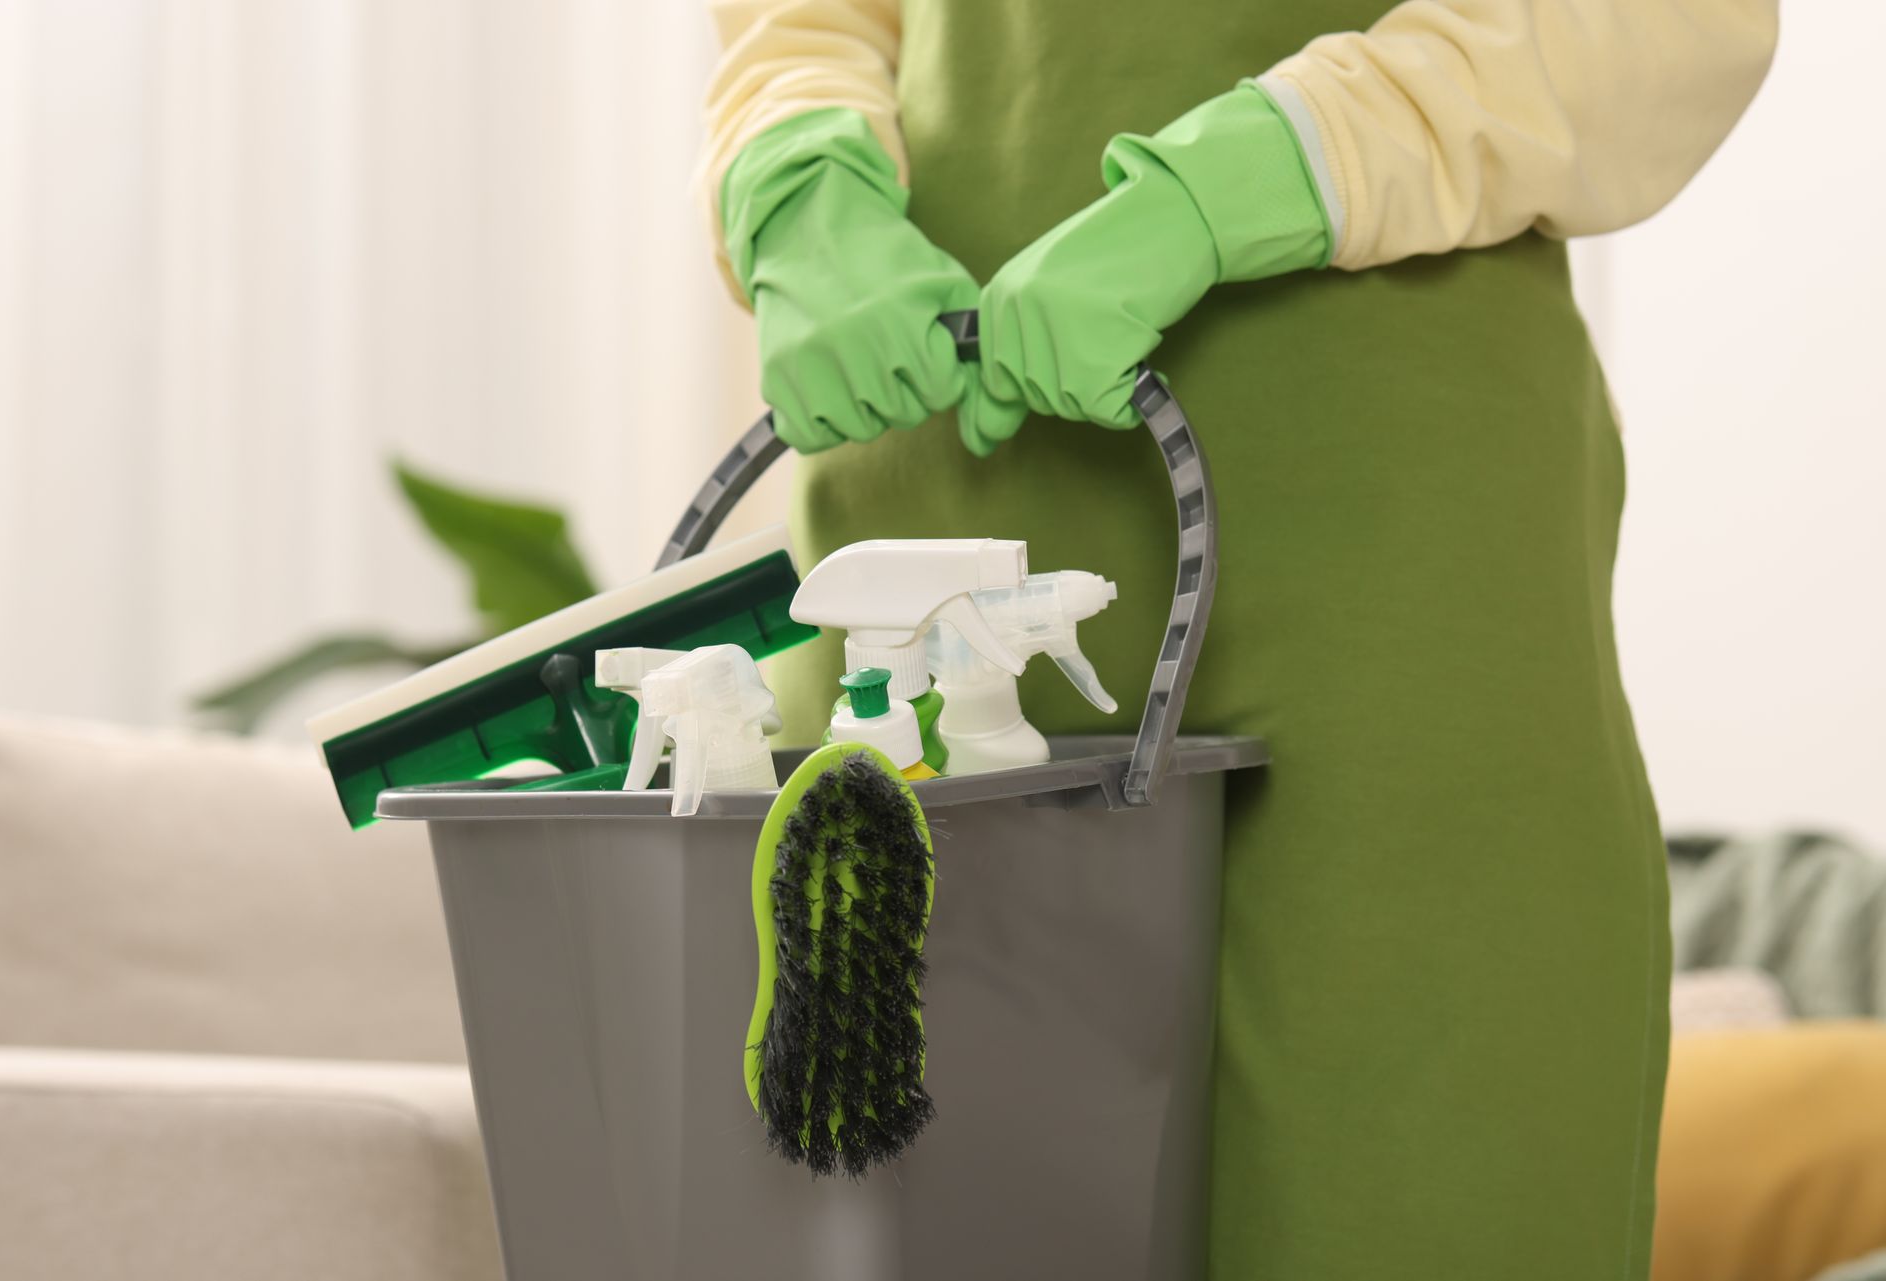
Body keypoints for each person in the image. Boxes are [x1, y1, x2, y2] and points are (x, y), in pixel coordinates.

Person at [695, 0, 1777, 1274]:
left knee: (1420, 1189)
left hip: (1380, 538)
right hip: (914, 550)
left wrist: (1257, 173)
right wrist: (802, 190)